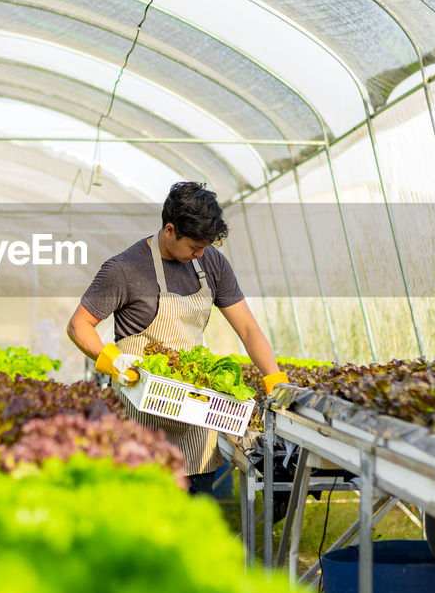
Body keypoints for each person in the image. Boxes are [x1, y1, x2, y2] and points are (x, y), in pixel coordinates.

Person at [66, 181, 289, 494]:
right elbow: (79, 325)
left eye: (205, 247)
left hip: (194, 423)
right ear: (169, 230)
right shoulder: (124, 269)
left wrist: (274, 379)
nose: (200, 254)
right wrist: (114, 362)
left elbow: (248, 329)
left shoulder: (211, 262)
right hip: (141, 417)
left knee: (194, 516)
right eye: (194, 247)